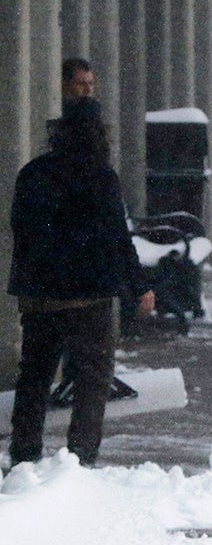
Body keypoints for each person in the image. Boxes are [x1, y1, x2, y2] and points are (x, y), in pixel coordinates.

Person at [7, 97, 155, 467]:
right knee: (93, 378)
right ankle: (81, 459)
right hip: (87, 297)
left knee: (35, 376)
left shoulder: (32, 173)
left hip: (40, 296)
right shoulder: (101, 177)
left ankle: (24, 456)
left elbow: (20, 229)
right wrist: (139, 285)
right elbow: (118, 237)